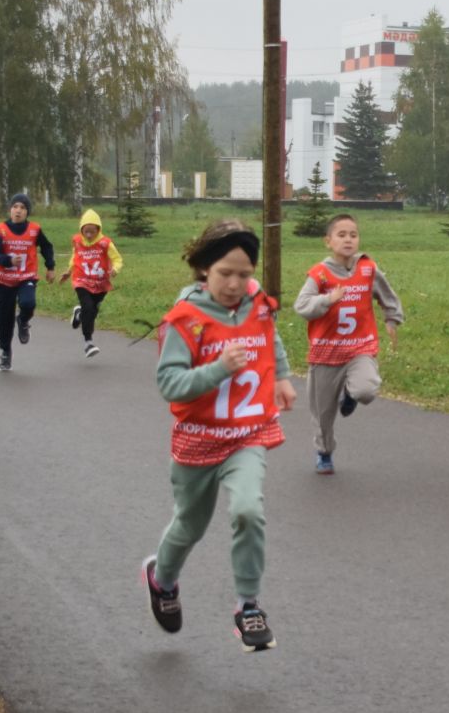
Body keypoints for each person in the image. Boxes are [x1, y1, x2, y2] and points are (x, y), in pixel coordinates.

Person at [142, 219, 297, 652]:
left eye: (244, 274)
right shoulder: (184, 321)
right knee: (189, 525)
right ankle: (162, 580)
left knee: (248, 509)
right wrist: (218, 370)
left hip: (247, 432)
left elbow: (269, 334)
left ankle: (249, 605)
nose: (235, 283)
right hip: (198, 438)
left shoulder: (256, 302)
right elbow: (169, 385)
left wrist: (282, 376)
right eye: (225, 273)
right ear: (203, 270)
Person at [292, 213, 403, 474]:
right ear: (328, 241)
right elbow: (302, 307)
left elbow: (388, 295)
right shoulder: (319, 275)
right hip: (325, 353)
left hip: (359, 347)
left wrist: (392, 318)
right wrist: (327, 300)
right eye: (341, 235)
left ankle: (351, 394)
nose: (348, 240)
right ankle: (324, 452)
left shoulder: (368, 269)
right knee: (323, 414)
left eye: (353, 235)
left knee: (367, 389)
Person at [0, 191, 54, 372]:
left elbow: (47, 247)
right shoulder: (1, 230)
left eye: (23, 208)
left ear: (27, 212)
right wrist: (8, 261)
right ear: (10, 210)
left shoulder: (34, 230)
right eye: (15, 207)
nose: (18, 211)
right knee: (4, 319)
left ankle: (23, 321)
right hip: (5, 280)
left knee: (28, 303)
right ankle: (6, 351)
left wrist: (50, 267)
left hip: (27, 277)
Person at [57, 208, 122, 359]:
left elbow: (117, 259)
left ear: (98, 230)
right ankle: (88, 342)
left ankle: (79, 315)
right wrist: (69, 271)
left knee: (91, 312)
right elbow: (75, 258)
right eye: (86, 231)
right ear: (81, 230)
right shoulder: (78, 241)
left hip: (100, 283)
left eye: (92, 231)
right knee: (88, 307)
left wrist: (115, 270)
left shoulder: (105, 243)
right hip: (82, 280)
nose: (89, 235)